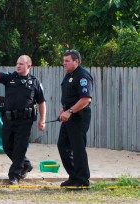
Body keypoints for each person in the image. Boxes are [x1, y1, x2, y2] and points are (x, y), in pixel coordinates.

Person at [0, 55, 46, 185]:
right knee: (7, 146)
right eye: (17, 63)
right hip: (8, 119)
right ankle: (25, 164)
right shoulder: (10, 78)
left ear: (28, 66)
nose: (18, 66)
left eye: (21, 64)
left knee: (20, 148)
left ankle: (14, 175)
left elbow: (41, 102)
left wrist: (42, 120)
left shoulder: (34, 82)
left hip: (25, 121)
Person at [57, 49, 93, 188]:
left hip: (79, 116)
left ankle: (83, 180)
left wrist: (70, 111)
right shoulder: (69, 75)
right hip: (69, 115)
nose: (64, 63)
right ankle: (74, 176)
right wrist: (64, 108)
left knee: (78, 148)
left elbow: (86, 99)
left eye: (67, 61)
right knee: (63, 146)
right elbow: (70, 96)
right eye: (63, 60)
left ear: (76, 61)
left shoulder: (82, 75)